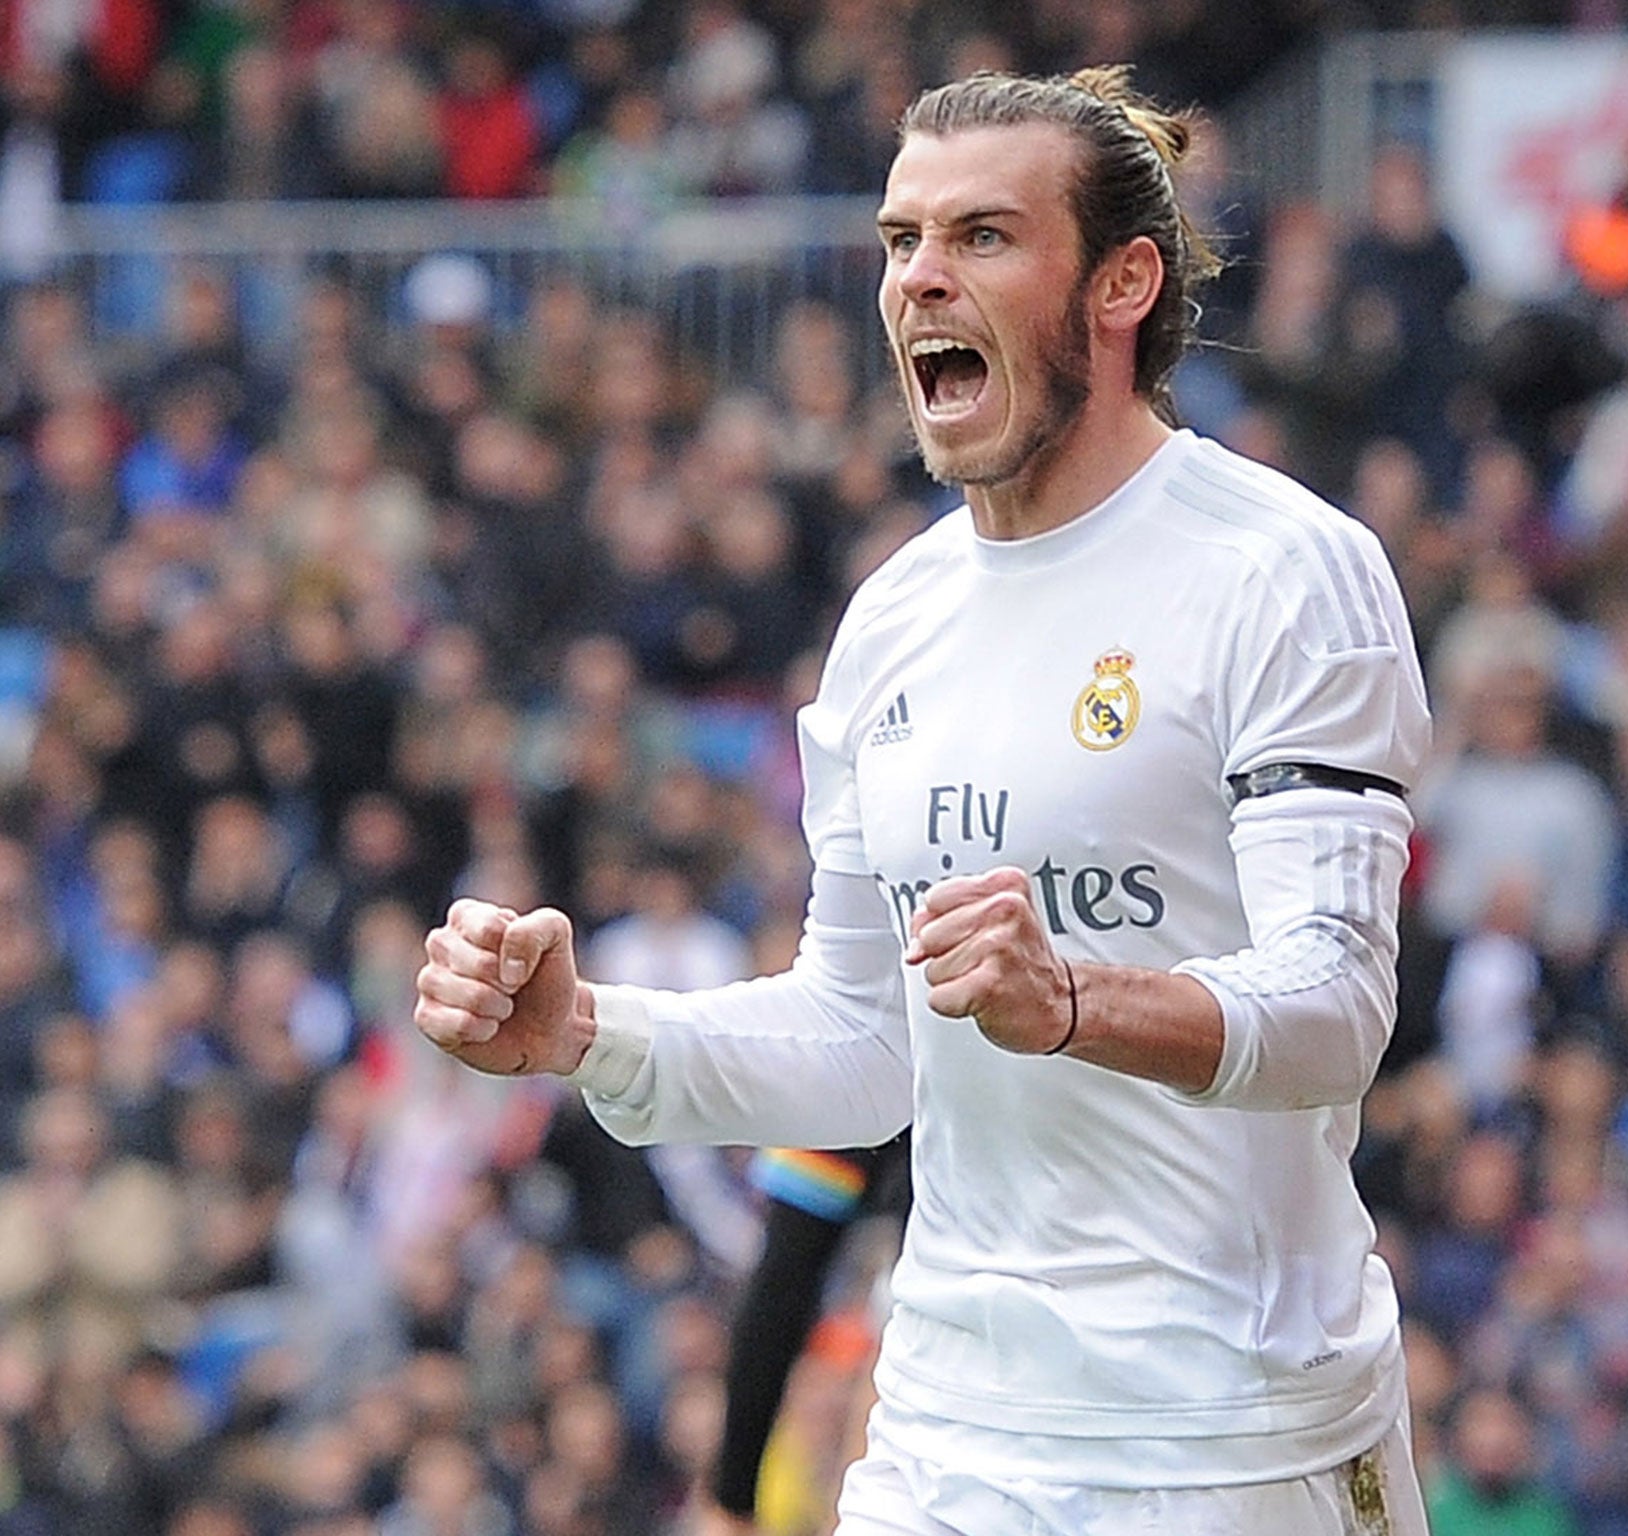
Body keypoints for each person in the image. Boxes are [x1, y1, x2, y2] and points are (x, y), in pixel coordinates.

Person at [415, 64, 1433, 1536]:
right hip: (947, 1430)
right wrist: (588, 1033)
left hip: (1230, 1435)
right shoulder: (892, 618)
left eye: (983, 237)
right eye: (901, 241)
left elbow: (1337, 1011)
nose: (921, 281)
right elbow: (860, 1044)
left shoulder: (1285, 573)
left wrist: (1074, 1000)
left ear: (1123, 282)